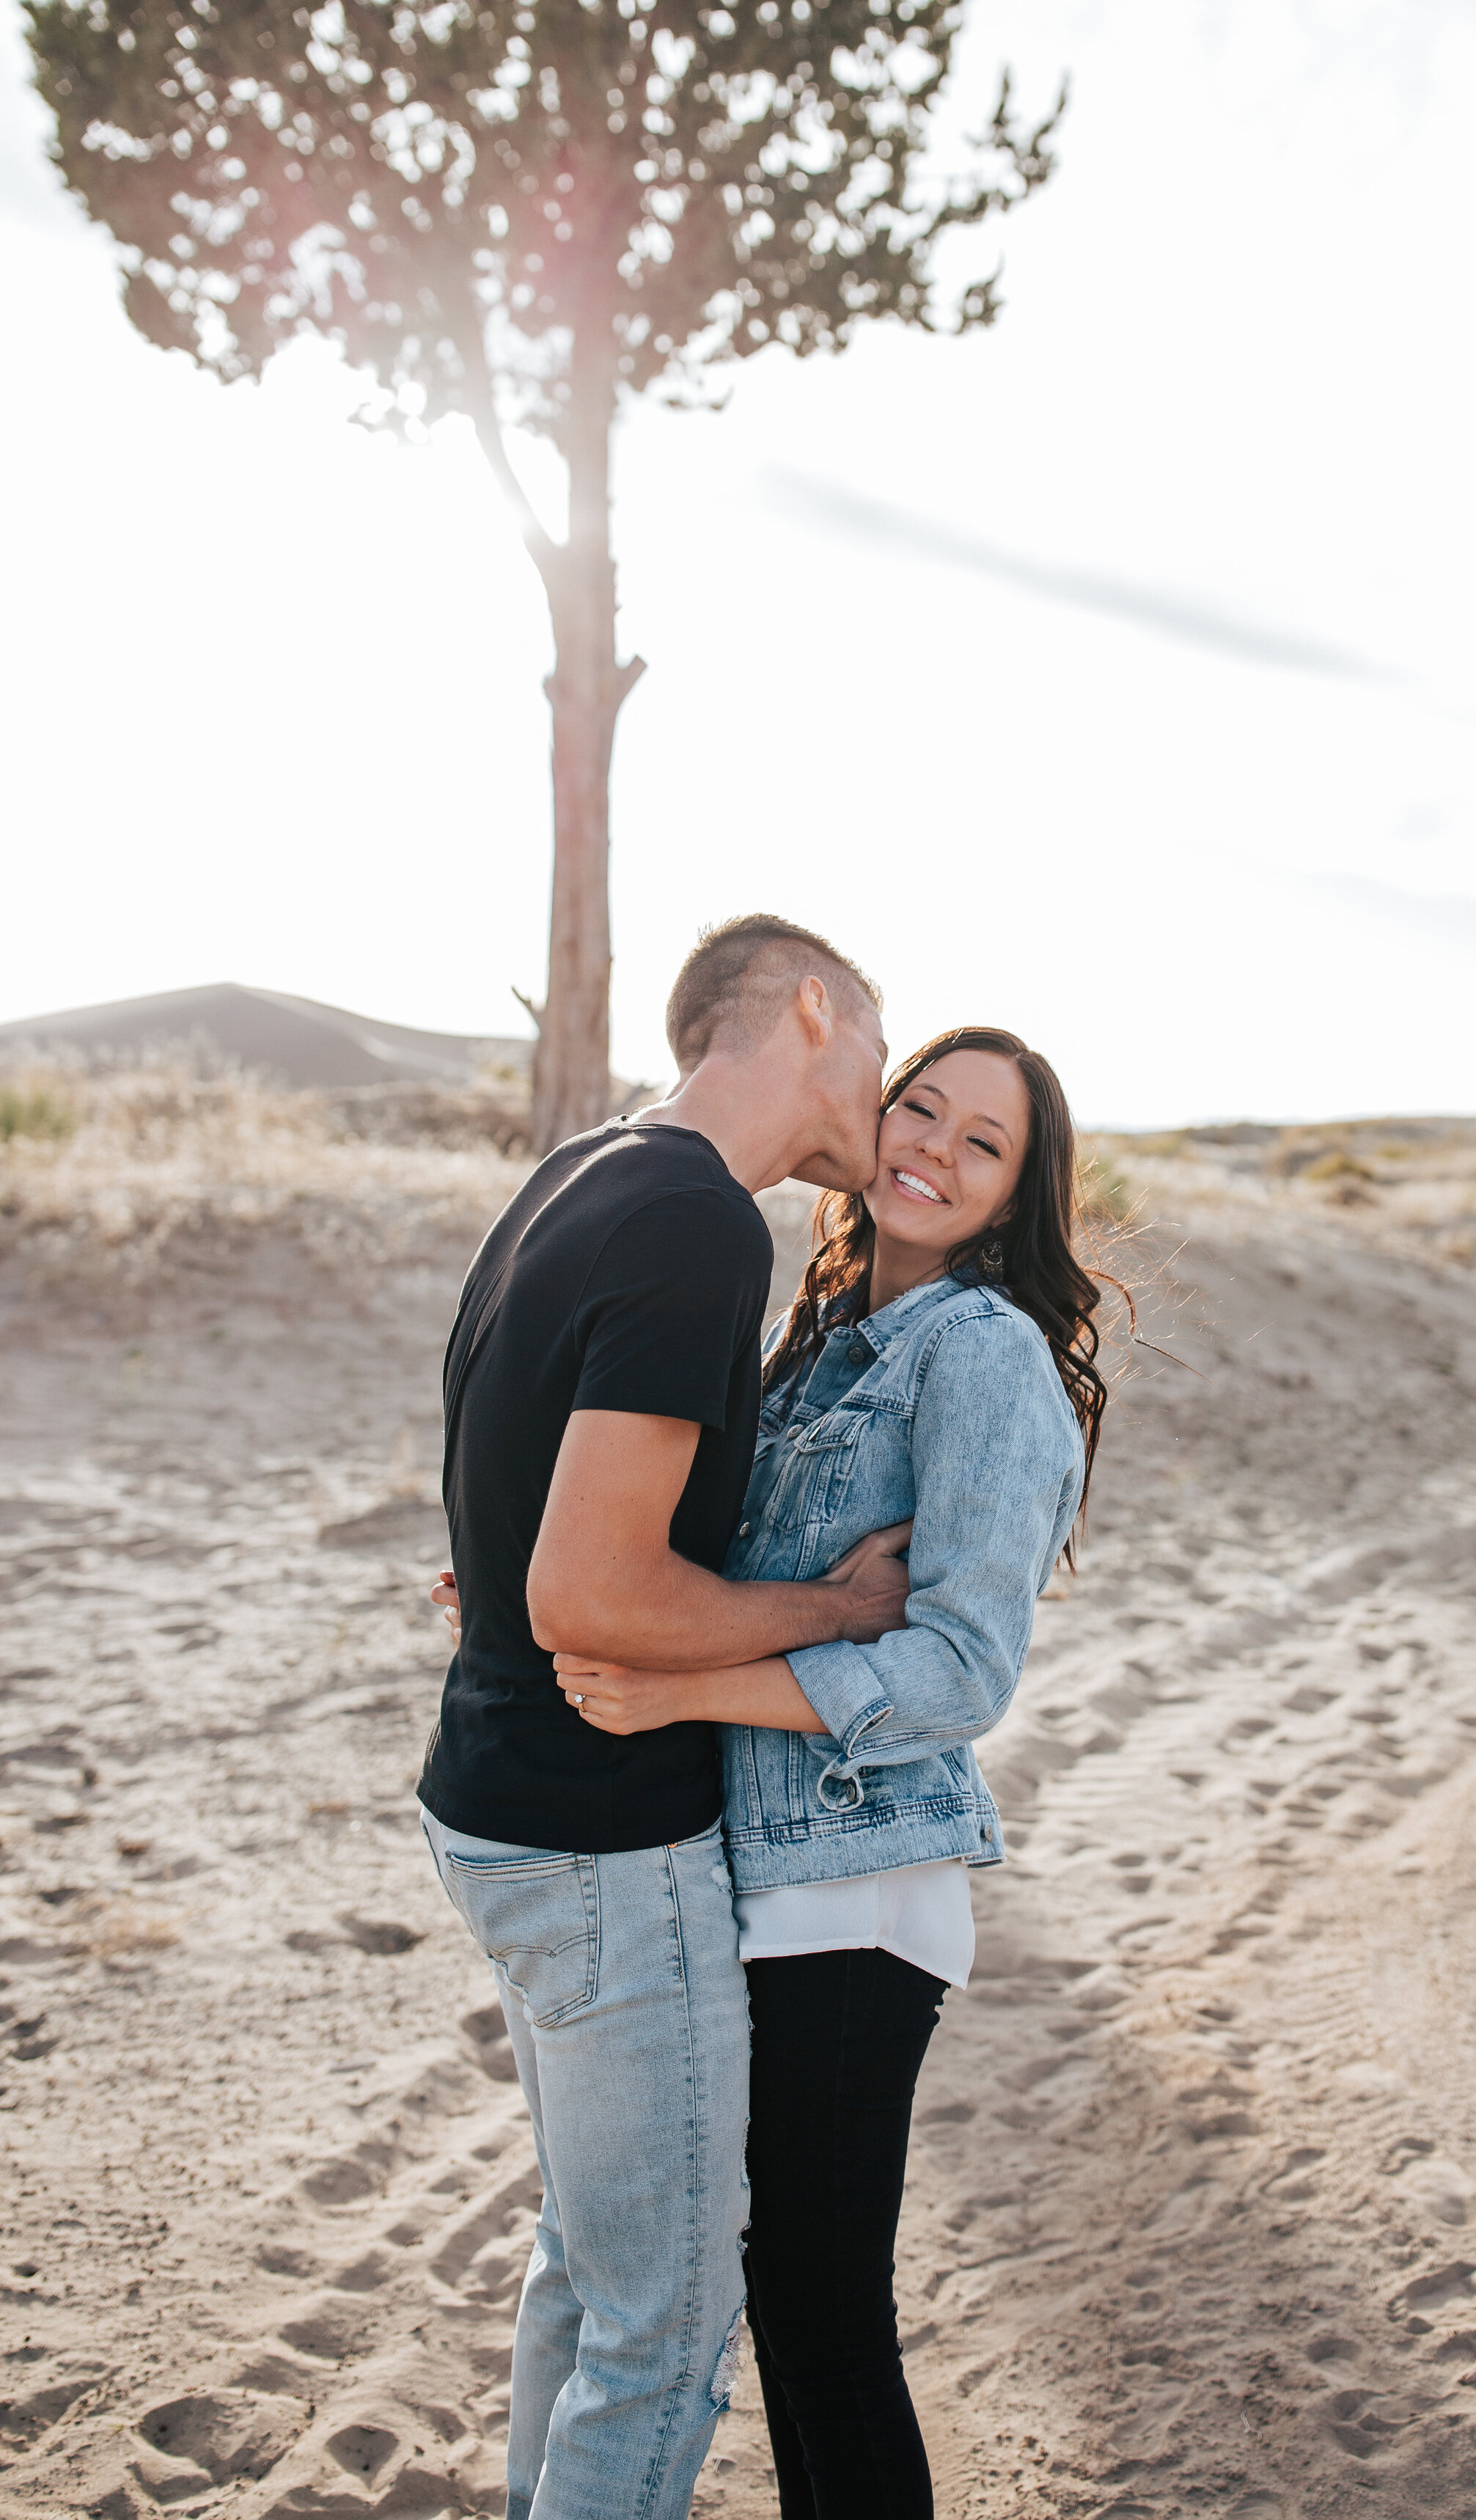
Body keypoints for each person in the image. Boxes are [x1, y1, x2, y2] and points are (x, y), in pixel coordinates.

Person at [490, 1024, 1117, 2519]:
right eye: (921, 1110)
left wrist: (683, 1685)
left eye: (984, 1145)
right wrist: (542, 1578)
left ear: (1016, 1196)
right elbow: (697, 1561)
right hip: (759, 1875)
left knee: (822, 2318)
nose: (935, 1151)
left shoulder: (981, 1355)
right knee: (785, 2302)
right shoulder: (824, 1335)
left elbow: (962, 1671)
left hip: (859, 1885)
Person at [416, 913, 917, 2520]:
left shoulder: (583, 1169)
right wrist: (837, 1612)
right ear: (815, 1008)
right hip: (598, 1841)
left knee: (586, 2272)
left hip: (494, 1803)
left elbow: (507, 1483)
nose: (891, 1101)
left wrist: (511, 1592)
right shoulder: (701, 1222)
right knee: (668, 2331)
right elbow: (591, 1588)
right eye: (883, 1052)